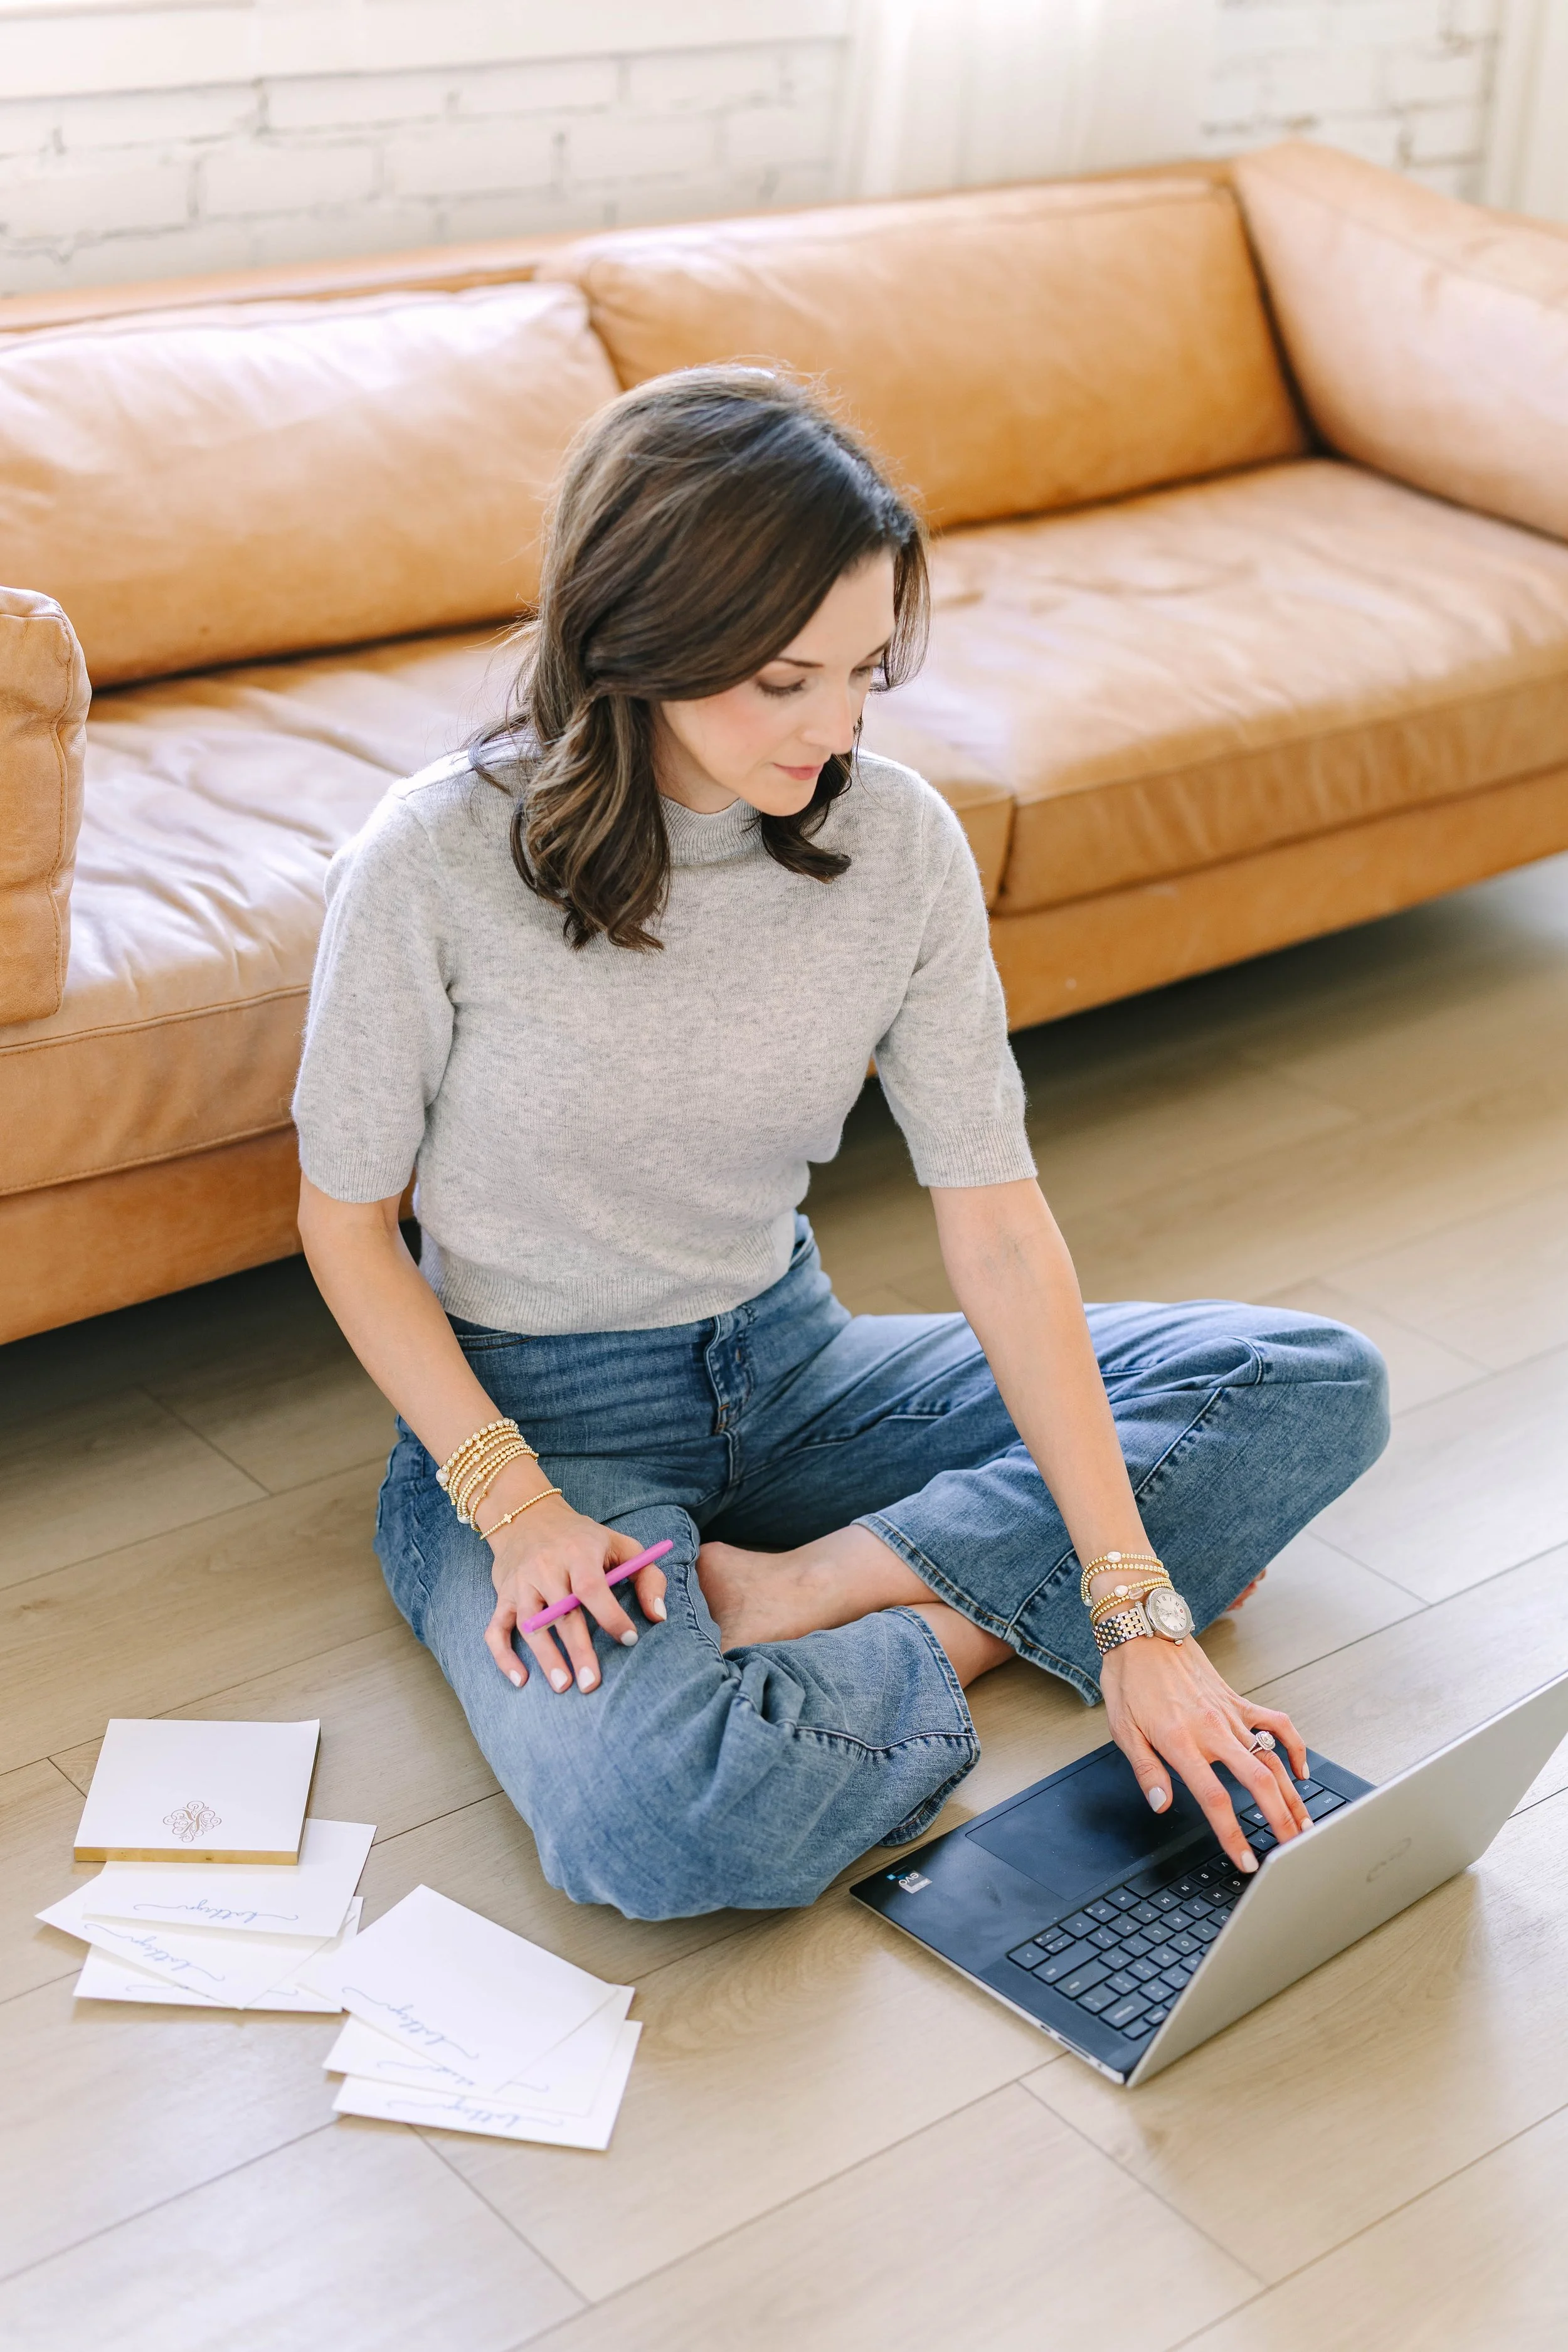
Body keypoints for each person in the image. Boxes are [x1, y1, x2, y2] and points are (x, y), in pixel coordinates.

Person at [294, 366, 1388, 1922]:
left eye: (867, 672)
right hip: (538, 1420)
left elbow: (996, 1221)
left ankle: (822, 1585)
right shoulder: (432, 861)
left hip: (796, 1363)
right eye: (783, 680)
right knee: (663, 1828)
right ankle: (993, 1606)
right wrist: (521, 1513)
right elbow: (344, 1225)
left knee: (1311, 1384)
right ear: (637, 642)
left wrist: (1141, 1616)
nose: (838, 727)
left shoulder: (897, 845)